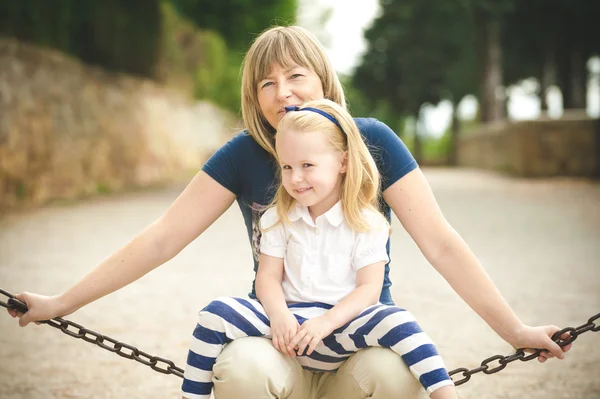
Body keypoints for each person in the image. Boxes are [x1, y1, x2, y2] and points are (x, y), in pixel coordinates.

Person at [7, 25, 570, 399]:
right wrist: (60, 303)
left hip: (358, 343)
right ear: (255, 98)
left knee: (396, 374)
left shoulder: (372, 141)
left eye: (296, 75)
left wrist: (515, 330)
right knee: (242, 371)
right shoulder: (244, 154)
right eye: (266, 84)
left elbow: (442, 243)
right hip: (277, 340)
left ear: (323, 79)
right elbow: (161, 239)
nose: (283, 93)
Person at [181, 99, 457, 399]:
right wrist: (279, 315)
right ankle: (191, 396)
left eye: (307, 166)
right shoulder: (278, 218)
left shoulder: (366, 222)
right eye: (287, 167)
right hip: (287, 329)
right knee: (214, 314)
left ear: (342, 162)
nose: (295, 178)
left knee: (399, 321)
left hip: (343, 329)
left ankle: (444, 393)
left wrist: (326, 322)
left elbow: (369, 289)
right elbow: (268, 278)